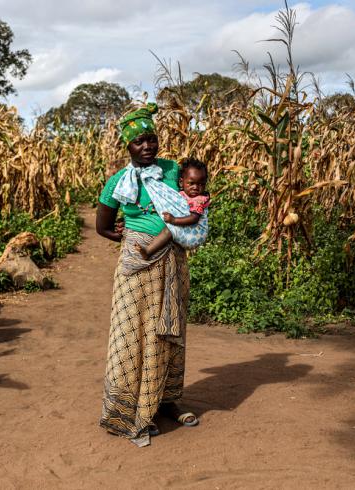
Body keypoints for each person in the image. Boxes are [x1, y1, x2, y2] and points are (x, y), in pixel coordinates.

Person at [95, 103, 205, 447]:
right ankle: (131, 409)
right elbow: (102, 226)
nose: (147, 146)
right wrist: (134, 239)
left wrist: (179, 231)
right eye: (139, 141)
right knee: (132, 335)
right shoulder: (118, 181)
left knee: (168, 334)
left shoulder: (172, 170)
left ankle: (167, 402)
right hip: (136, 266)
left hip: (172, 262)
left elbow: (196, 195)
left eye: (151, 140)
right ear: (127, 146)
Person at [136, 158, 210, 260]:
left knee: (169, 230)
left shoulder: (198, 200)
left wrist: (174, 220)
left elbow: (194, 218)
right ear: (181, 182)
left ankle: (148, 251)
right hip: (188, 230)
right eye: (191, 183)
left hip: (196, 233)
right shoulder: (180, 194)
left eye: (201, 184)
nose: (196, 187)